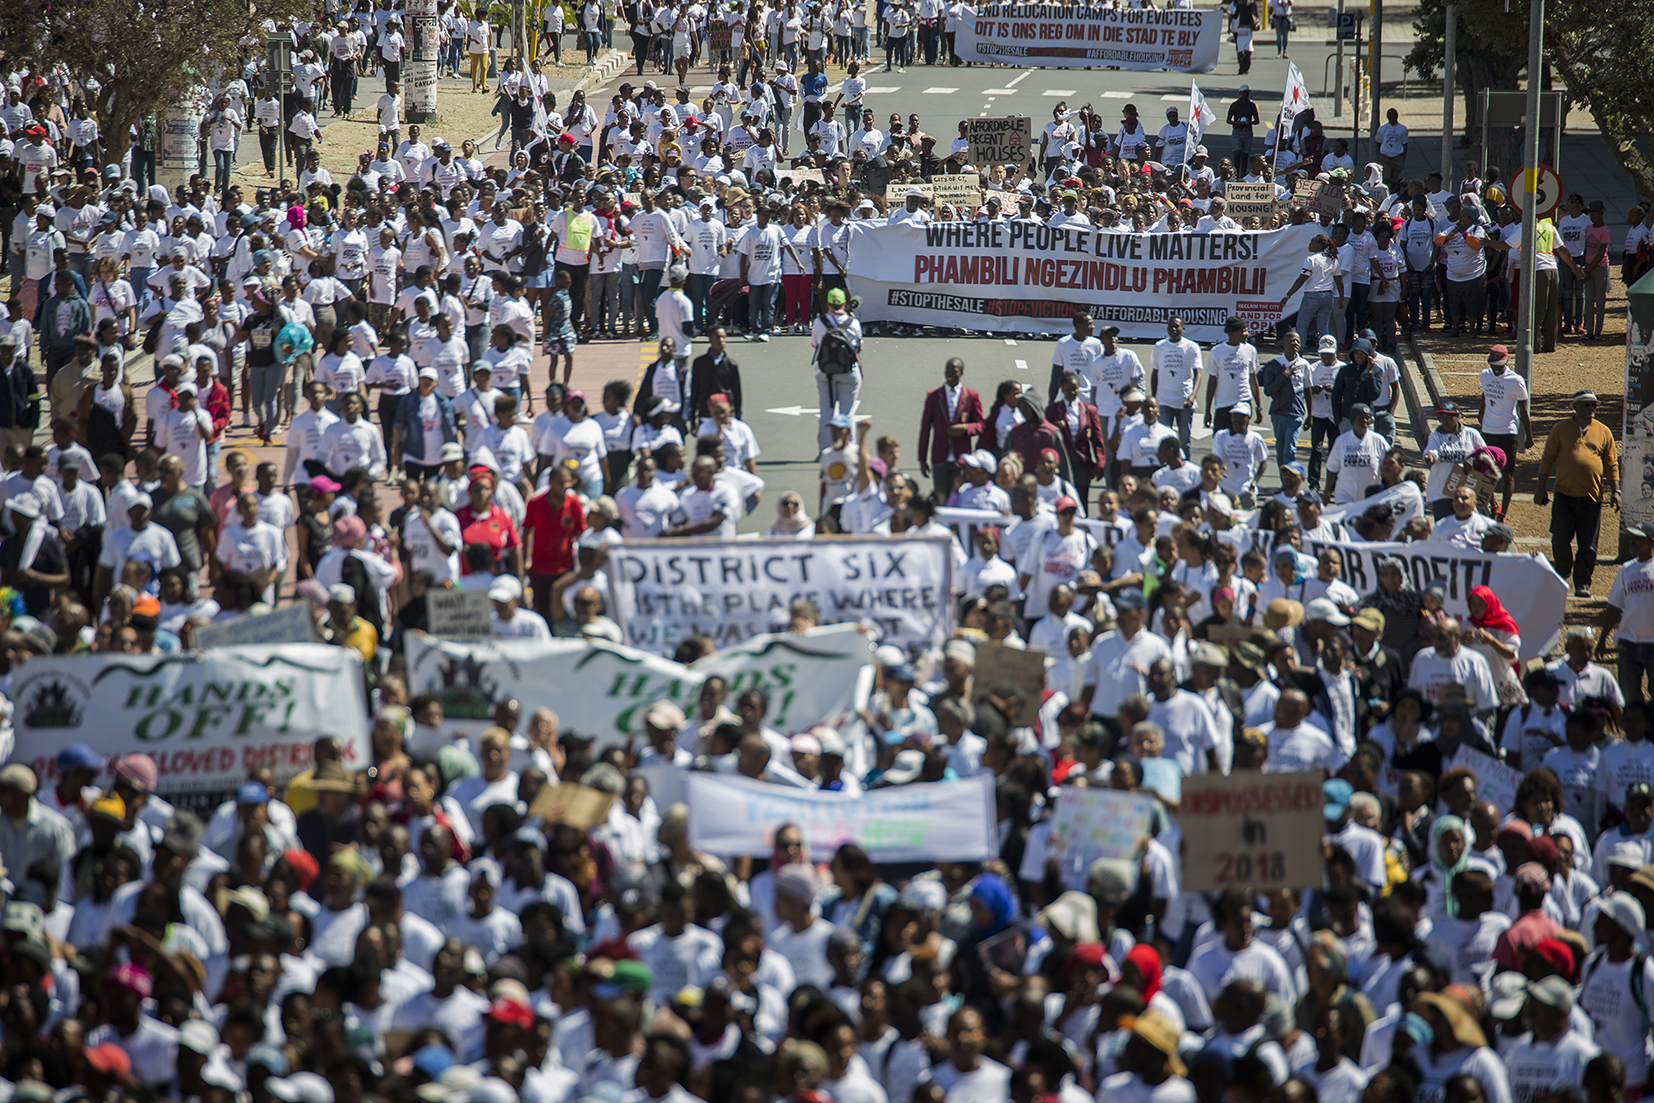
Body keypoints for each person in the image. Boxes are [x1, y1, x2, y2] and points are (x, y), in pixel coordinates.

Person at [1535, 389, 1620, 599]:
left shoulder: (1603, 431)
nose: (1591, 408)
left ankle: (1583, 583)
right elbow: (1548, 458)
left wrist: (1616, 490)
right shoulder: (1560, 429)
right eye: (1586, 405)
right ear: (1574, 407)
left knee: (1588, 544)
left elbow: (1611, 463)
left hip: (1592, 497)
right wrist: (1541, 486)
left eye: (1594, 405)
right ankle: (1562, 572)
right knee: (1560, 537)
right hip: (1564, 495)